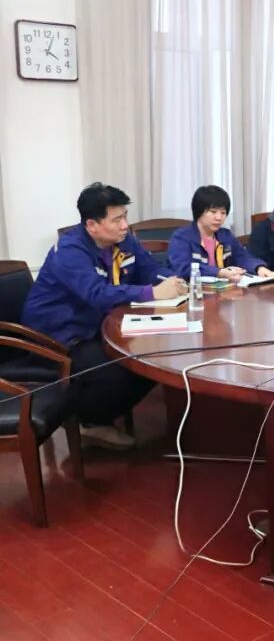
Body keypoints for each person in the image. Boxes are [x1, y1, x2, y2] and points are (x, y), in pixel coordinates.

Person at [21, 183, 188, 450]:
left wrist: (175, 282)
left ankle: (97, 413)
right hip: (59, 334)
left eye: (125, 216)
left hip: (99, 324)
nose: (125, 225)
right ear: (92, 225)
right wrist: (152, 293)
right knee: (118, 373)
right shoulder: (70, 250)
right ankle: (88, 422)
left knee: (154, 360)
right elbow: (96, 293)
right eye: (117, 219)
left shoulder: (123, 240)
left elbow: (149, 270)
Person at [168, 185, 274, 282]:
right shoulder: (181, 237)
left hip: (224, 292)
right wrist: (219, 272)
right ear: (199, 211)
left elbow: (242, 257)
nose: (219, 217)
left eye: (223, 213)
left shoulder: (225, 236)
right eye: (213, 212)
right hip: (193, 292)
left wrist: (259, 268)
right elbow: (184, 269)